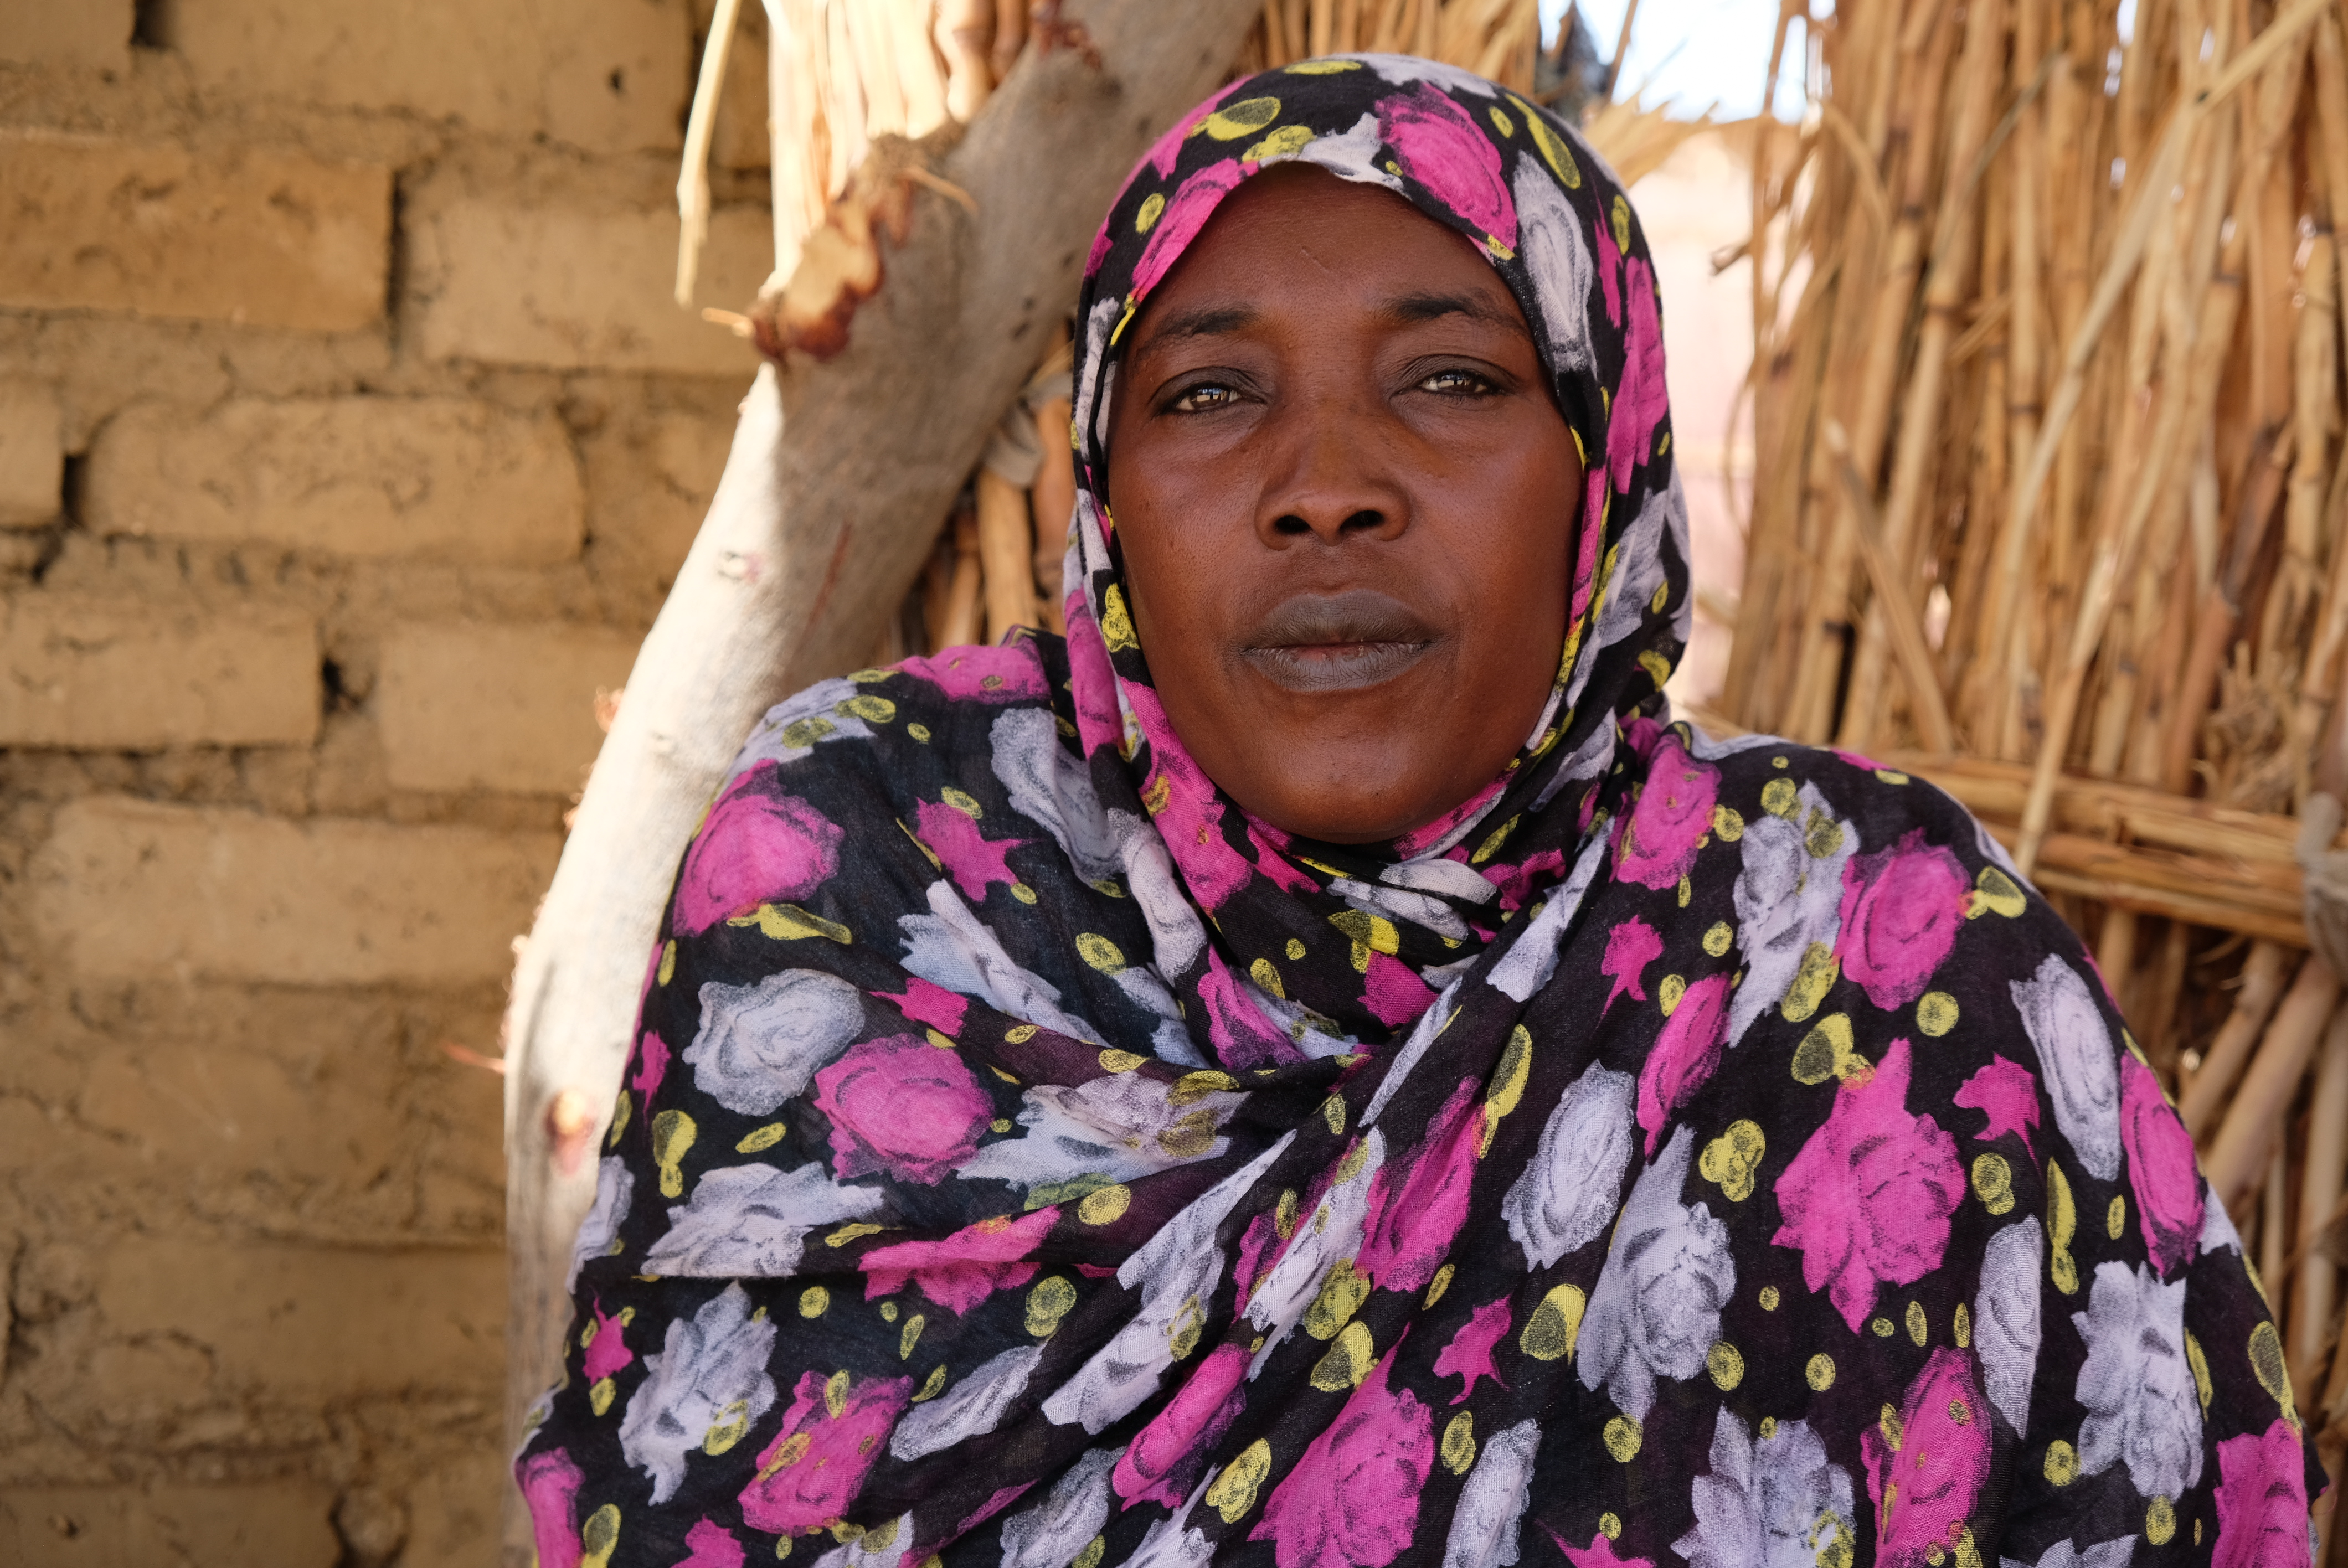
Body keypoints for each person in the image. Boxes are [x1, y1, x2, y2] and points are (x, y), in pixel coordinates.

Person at [516, 56, 2325, 1568]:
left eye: (1452, 379)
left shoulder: (1861, 961)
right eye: (1210, 393)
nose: (1326, 490)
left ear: (1599, 470)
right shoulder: (864, 881)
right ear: (1105, 503)